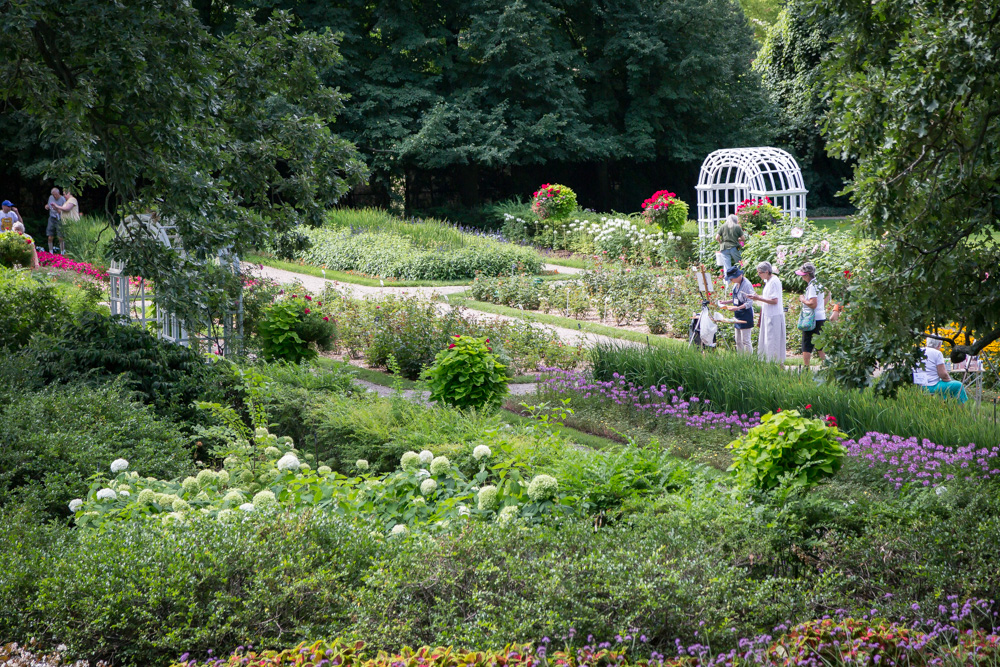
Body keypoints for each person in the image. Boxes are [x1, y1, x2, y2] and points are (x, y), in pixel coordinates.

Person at [749, 261, 786, 363]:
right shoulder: (768, 281)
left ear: (766, 272)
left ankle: (775, 363)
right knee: (767, 341)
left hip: (774, 316)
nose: (758, 275)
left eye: (760, 272)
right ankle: (768, 362)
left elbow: (774, 300)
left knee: (772, 342)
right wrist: (757, 297)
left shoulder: (774, 281)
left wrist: (758, 298)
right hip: (768, 314)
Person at [913, 337, 968, 403]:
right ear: (939, 344)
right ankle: (960, 408)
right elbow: (943, 374)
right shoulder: (937, 353)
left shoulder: (918, 351)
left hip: (918, 386)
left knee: (945, 386)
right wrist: (949, 379)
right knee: (958, 386)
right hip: (932, 386)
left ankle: (942, 403)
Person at [796, 261, 829, 370]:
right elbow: (828, 293)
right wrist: (822, 307)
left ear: (807, 274)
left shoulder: (812, 287)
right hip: (821, 317)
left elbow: (813, 304)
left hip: (812, 318)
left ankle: (806, 368)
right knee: (820, 344)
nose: (802, 277)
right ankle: (827, 367)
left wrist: (802, 299)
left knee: (806, 343)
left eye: (803, 275)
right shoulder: (818, 284)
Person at [721, 266, 755, 353]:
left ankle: (749, 358)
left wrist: (738, 308)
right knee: (738, 340)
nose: (731, 280)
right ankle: (740, 357)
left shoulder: (747, 285)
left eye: (732, 278)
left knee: (745, 340)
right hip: (737, 314)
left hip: (745, 314)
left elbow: (749, 302)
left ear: (738, 276)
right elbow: (736, 298)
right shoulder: (736, 284)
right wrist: (725, 302)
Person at [44, 186, 66, 254]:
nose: (54, 196)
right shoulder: (51, 197)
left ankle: (62, 252)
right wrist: (47, 206)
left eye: (55, 195)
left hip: (59, 218)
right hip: (52, 217)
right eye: (53, 195)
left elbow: (63, 211)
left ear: (58, 193)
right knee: (50, 236)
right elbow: (49, 204)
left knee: (60, 237)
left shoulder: (62, 199)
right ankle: (51, 252)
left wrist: (56, 208)